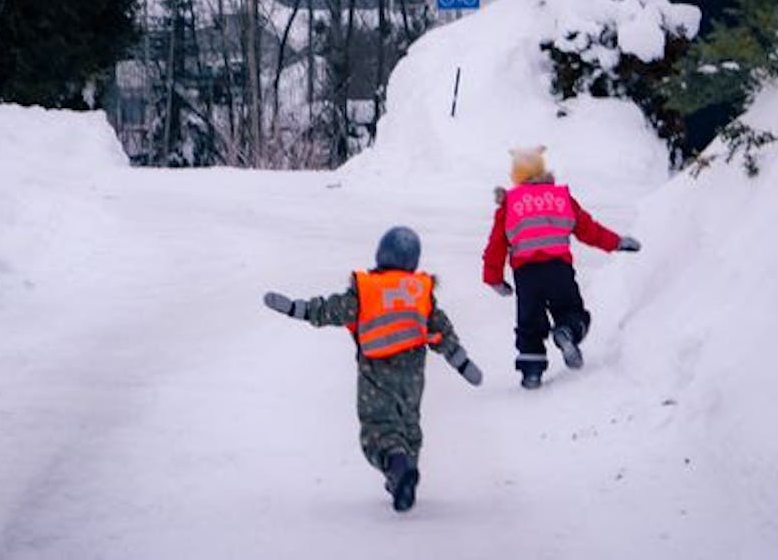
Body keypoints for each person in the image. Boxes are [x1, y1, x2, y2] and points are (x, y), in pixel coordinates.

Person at [263, 226, 482, 512]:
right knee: (408, 424)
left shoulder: (367, 290)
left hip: (376, 372)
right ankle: (404, 476)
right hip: (412, 374)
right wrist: (461, 361)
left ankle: (398, 469)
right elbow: (441, 329)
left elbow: (331, 310)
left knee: (379, 426)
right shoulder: (419, 291)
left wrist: (295, 308)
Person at [481, 147, 642, 389]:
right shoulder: (560, 198)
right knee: (571, 310)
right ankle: (567, 331)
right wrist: (616, 242)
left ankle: (532, 372)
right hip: (559, 270)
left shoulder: (509, 204)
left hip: (527, 276)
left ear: (516, 175)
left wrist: (493, 278)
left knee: (529, 324)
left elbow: (496, 245)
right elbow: (589, 229)